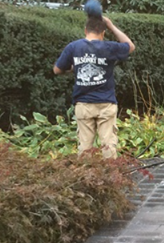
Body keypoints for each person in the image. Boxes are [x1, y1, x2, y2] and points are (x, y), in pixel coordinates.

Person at [53, 11, 135, 159]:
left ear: (85, 30)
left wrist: (74, 68)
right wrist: (111, 25)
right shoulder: (109, 47)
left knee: (85, 148)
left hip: (83, 104)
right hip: (106, 103)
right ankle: (110, 178)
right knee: (108, 145)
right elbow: (130, 46)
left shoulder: (73, 47)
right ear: (103, 32)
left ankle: (88, 179)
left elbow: (57, 69)